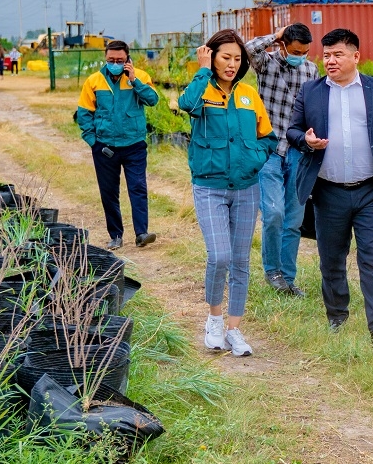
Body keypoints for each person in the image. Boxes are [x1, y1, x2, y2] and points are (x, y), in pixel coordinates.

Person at [288, 27, 373, 345]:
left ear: (356, 56)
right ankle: (337, 316)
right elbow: (293, 130)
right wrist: (307, 141)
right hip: (328, 191)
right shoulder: (311, 91)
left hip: (372, 189)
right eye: (326, 55)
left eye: (338, 54)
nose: (330, 60)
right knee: (331, 258)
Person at [178, 29, 276, 357]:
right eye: (225, 57)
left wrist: (255, 158)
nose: (232, 64)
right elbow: (186, 105)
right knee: (219, 256)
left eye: (237, 59)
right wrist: (202, 69)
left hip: (246, 187)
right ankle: (214, 320)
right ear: (212, 56)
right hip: (210, 187)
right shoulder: (201, 89)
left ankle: (234, 329)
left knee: (240, 260)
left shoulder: (249, 94)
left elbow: (268, 137)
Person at [246, 23, 316, 295]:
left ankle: (288, 277)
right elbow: (248, 48)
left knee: (294, 218)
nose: (301, 56)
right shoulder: (267, 63)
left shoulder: (310, 70)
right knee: (273, 213)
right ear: (283, 46)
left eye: (306, 51)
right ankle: (272, 270)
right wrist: (274, 36)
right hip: (270, 150)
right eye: (296, 51)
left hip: (299, 150)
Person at [74, 39, 160, 251]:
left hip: (134, 145)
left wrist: (134, 81)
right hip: (105, 148)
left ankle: (141, 233)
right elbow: (84, 114)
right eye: (111, 59)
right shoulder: (94, 81)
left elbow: (153, 100)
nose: (115, 63)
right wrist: (94, 143)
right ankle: (115, 236)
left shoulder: (139, 77)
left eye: (119, 60)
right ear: (105, 58)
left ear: (127, 59)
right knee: (109, 192)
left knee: (138, 188)